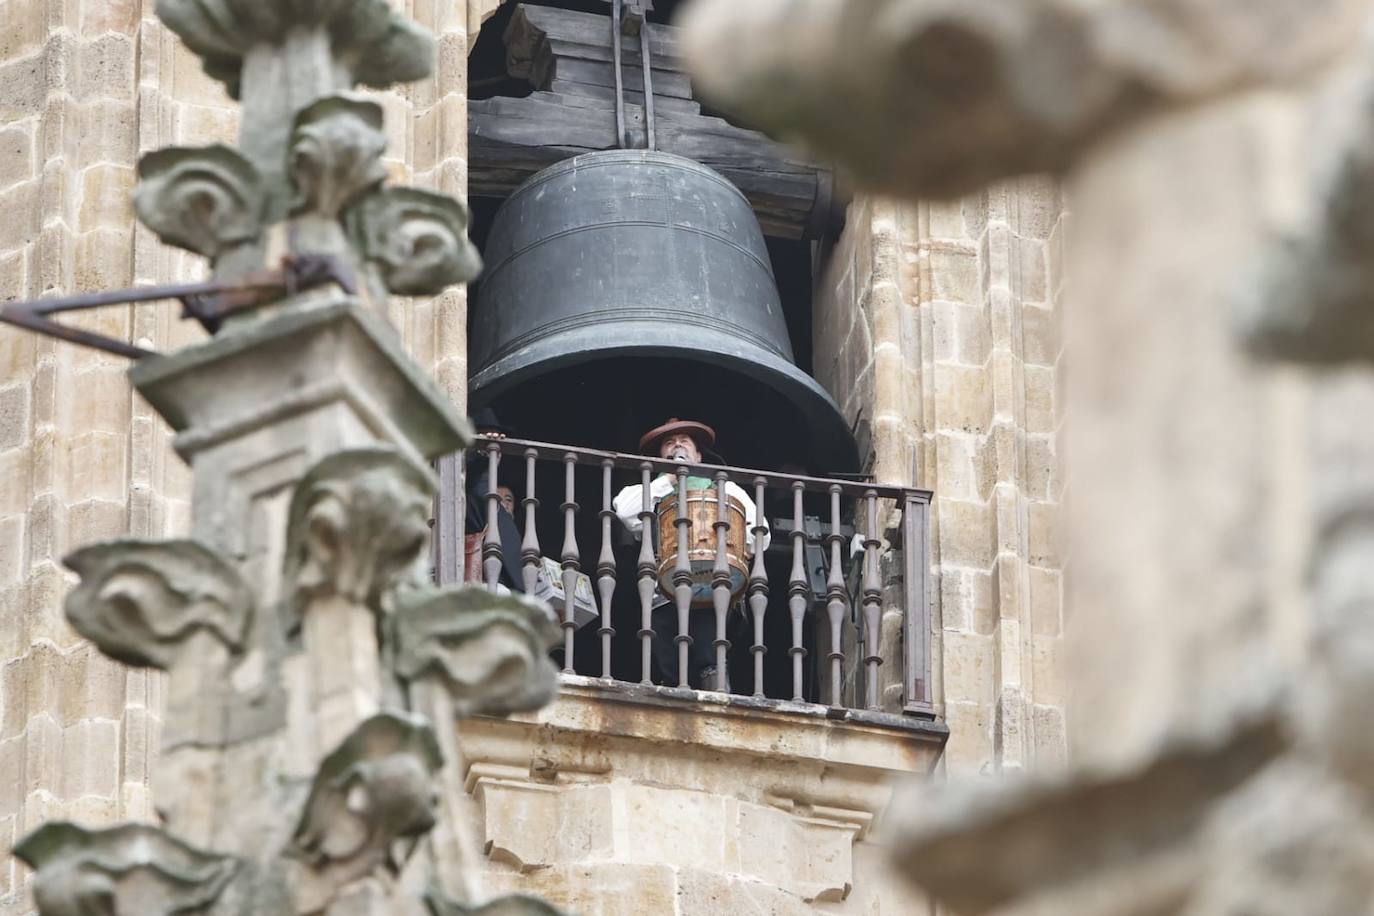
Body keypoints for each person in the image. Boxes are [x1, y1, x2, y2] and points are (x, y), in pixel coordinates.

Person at [612, 419, 769, 689]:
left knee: (709, 651)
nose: (677, 446)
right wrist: (671, 477)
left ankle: (715, 696)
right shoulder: (649, 491)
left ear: (698, 454)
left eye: (684, 441)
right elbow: (625, 512)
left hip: (711, 582)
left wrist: (732, 551)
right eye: (670, 443)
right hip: (664, 590)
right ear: (661, 455)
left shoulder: (724, 488)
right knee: (667, 657)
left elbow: (760, 532)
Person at [464, 408, 525, 592]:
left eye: (499, 440)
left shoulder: (503, 514)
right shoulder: (477, 491)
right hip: (494, 588)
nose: (496, 446)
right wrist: (482, 454)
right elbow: (474, 483)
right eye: (488, 437)